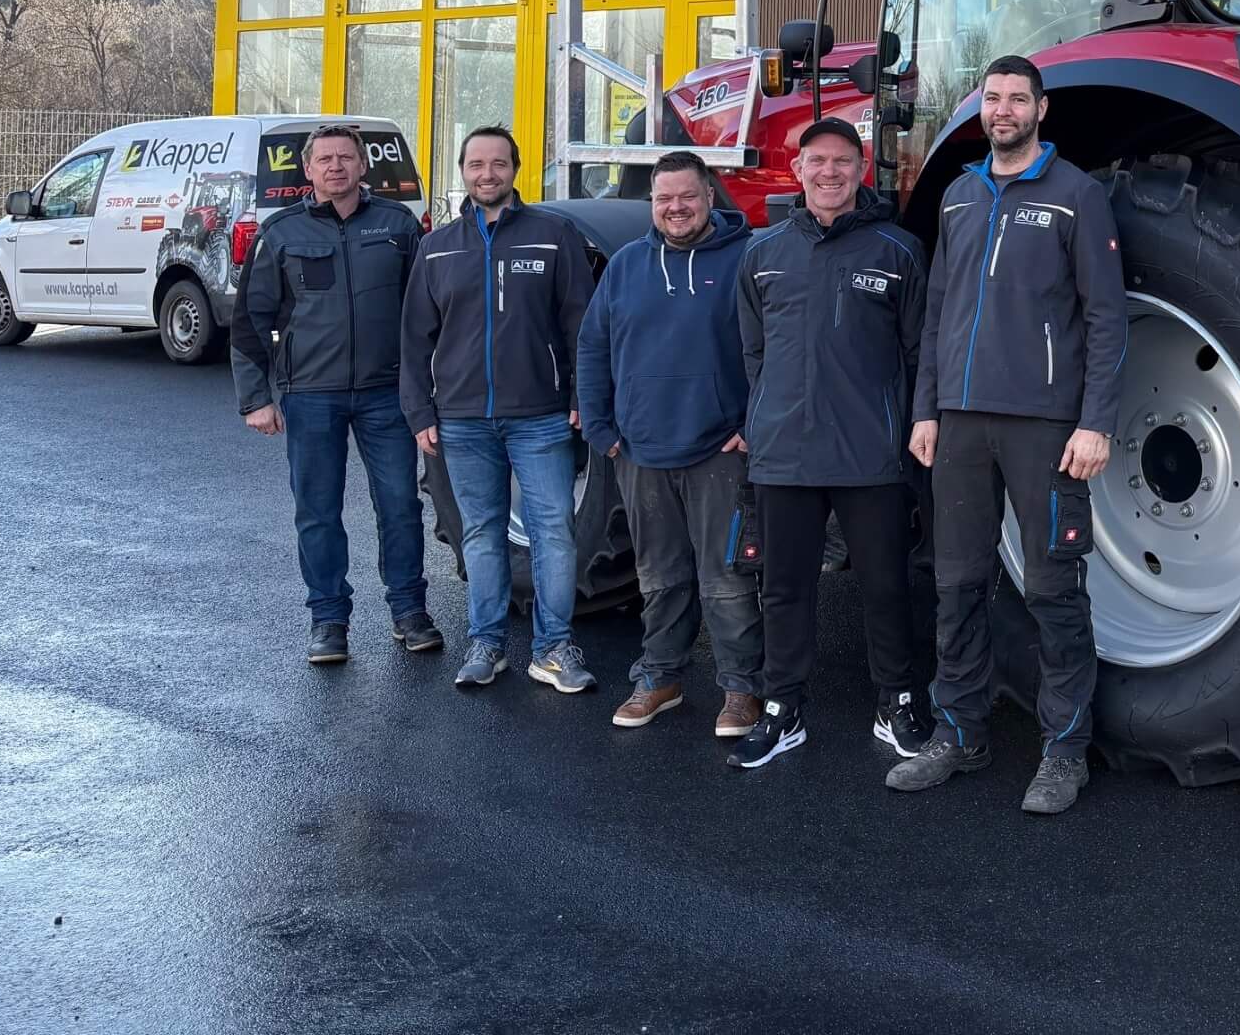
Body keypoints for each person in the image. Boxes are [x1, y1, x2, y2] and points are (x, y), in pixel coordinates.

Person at [888, 55, 1125, 815]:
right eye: (992, 99)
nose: (1003, 111)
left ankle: (1064, 751)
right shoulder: (958, 197)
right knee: (956, 583)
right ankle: (958, 730)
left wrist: (1095, 422)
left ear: (1041, 110)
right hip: (958, 425)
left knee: (1054, 587)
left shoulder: (1076, 197)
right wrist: (926, 408)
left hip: (1045, 427)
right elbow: (937, 315)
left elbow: (1107, 318)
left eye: (1017, 99)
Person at [726, 116, 936, 772]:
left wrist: (907, 428)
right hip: (783, 456)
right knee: (785, 590)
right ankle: (781, 710)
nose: (829, 173)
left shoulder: (897, 252)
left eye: (843, 162)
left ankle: (896, 701)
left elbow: (918, 354)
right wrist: (763, 422)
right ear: (798, 170)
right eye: (817, 161)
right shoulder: (761, 256)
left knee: (884, 585)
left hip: (870, 454)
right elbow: (753, 352)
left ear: (861, 169)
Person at [231, 122, 439, 666]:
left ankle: (409, 613)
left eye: (346, 158)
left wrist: (431, 388)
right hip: (310, 394)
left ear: (363, 166)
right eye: (324, 159)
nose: (336, 167)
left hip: (387, 394)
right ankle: (328, 621)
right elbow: (250, 321)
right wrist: (257, 398)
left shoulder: (398, 226)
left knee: (399, 506)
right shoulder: (280, 233)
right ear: (309, 169)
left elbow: (428, 313)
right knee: (317, 512)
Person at [399, 127, 598, 694]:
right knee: (482, 534)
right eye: (476, 164)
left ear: (516, 168)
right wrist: (419, 412)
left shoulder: (553, 235)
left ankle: (553, 648)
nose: (487, 174)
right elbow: (414, 340)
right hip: (461, 419)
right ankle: (486, 643)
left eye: (499, 163)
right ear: (462, 171)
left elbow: (582, 327)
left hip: (540, 417)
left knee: (554, 531)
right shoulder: (438, 247)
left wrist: (584, 396)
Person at [576, 150, 764, 737]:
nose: (676, 208)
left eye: (687, 196)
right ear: (650, 203)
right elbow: (593, 348)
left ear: (710, 196)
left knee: (727, 578)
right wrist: (604, 432)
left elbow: (774, 346)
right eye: (664, 199)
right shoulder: (627, 264)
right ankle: (661, 676)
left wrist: (752, 424)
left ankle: (740, 690)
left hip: (718, 451)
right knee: (658, 575)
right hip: (640, 450)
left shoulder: (746, 259)